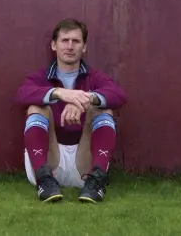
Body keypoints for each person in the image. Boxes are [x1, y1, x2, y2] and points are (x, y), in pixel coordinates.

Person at [15, 18, 127, 203]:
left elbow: (118, 95)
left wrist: (84, 99)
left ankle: (96, 184)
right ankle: (44, 181)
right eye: (64, 40)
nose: (70, 46)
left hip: (85, 163)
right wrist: (60, 93)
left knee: (102, 109)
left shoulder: (95, 77)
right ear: (54, 45)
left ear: (84, 47)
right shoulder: (40, 77)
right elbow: (22, 94)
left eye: (76, 41)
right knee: (36, 107)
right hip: (49, 159)